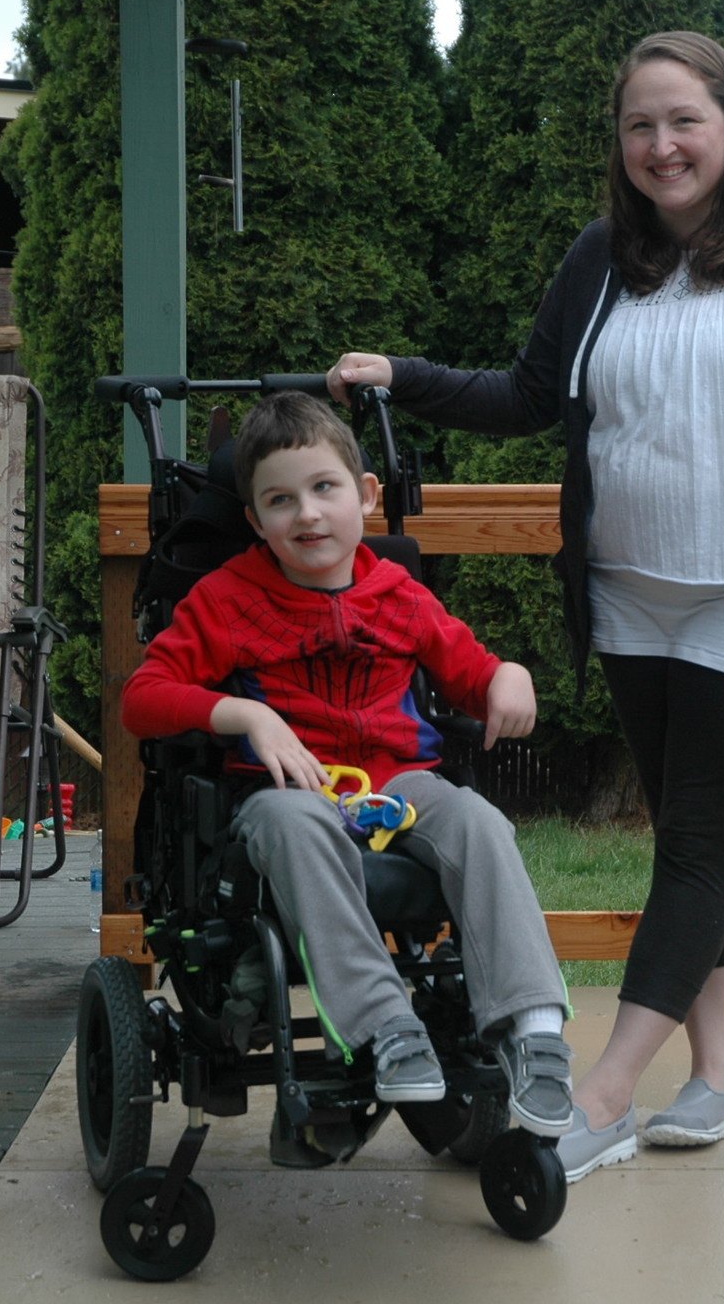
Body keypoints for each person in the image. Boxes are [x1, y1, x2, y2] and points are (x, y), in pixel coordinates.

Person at [329, 31, 724, 1182]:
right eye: (639, 125)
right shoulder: (605, 256)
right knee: (693, 837)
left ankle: (600, 1092)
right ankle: (717, 1078)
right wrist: (405, 379)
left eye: (683, 120)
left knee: (688, 846)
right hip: (628, 593)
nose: (661, 145)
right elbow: (528, 394)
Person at [119, 390, 574, 1138]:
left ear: (363, 494)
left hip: (398, 789)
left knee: (479, 821)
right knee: (294, 822)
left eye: (324, 488)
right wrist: (245, 714)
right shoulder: (225, 600)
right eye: (281, 500)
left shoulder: (400, 594)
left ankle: (535, 1031)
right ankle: (384, 1026)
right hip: (286, 793)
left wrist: (509, 676)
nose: (307, 515)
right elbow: (143, 697)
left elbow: (473, 670)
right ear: (255, 521)